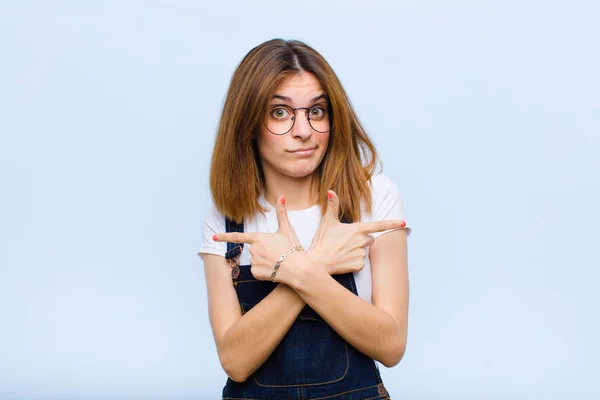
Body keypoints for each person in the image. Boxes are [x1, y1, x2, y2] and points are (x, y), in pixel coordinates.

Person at [197, 38, 411, 400]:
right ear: (248, 123)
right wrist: (317, 263)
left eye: (317, 111)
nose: (304, 130)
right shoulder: (227, 221)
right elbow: (235, 360)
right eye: (279, 112)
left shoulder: (372, 197)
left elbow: (391, 346)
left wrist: (294, 268)